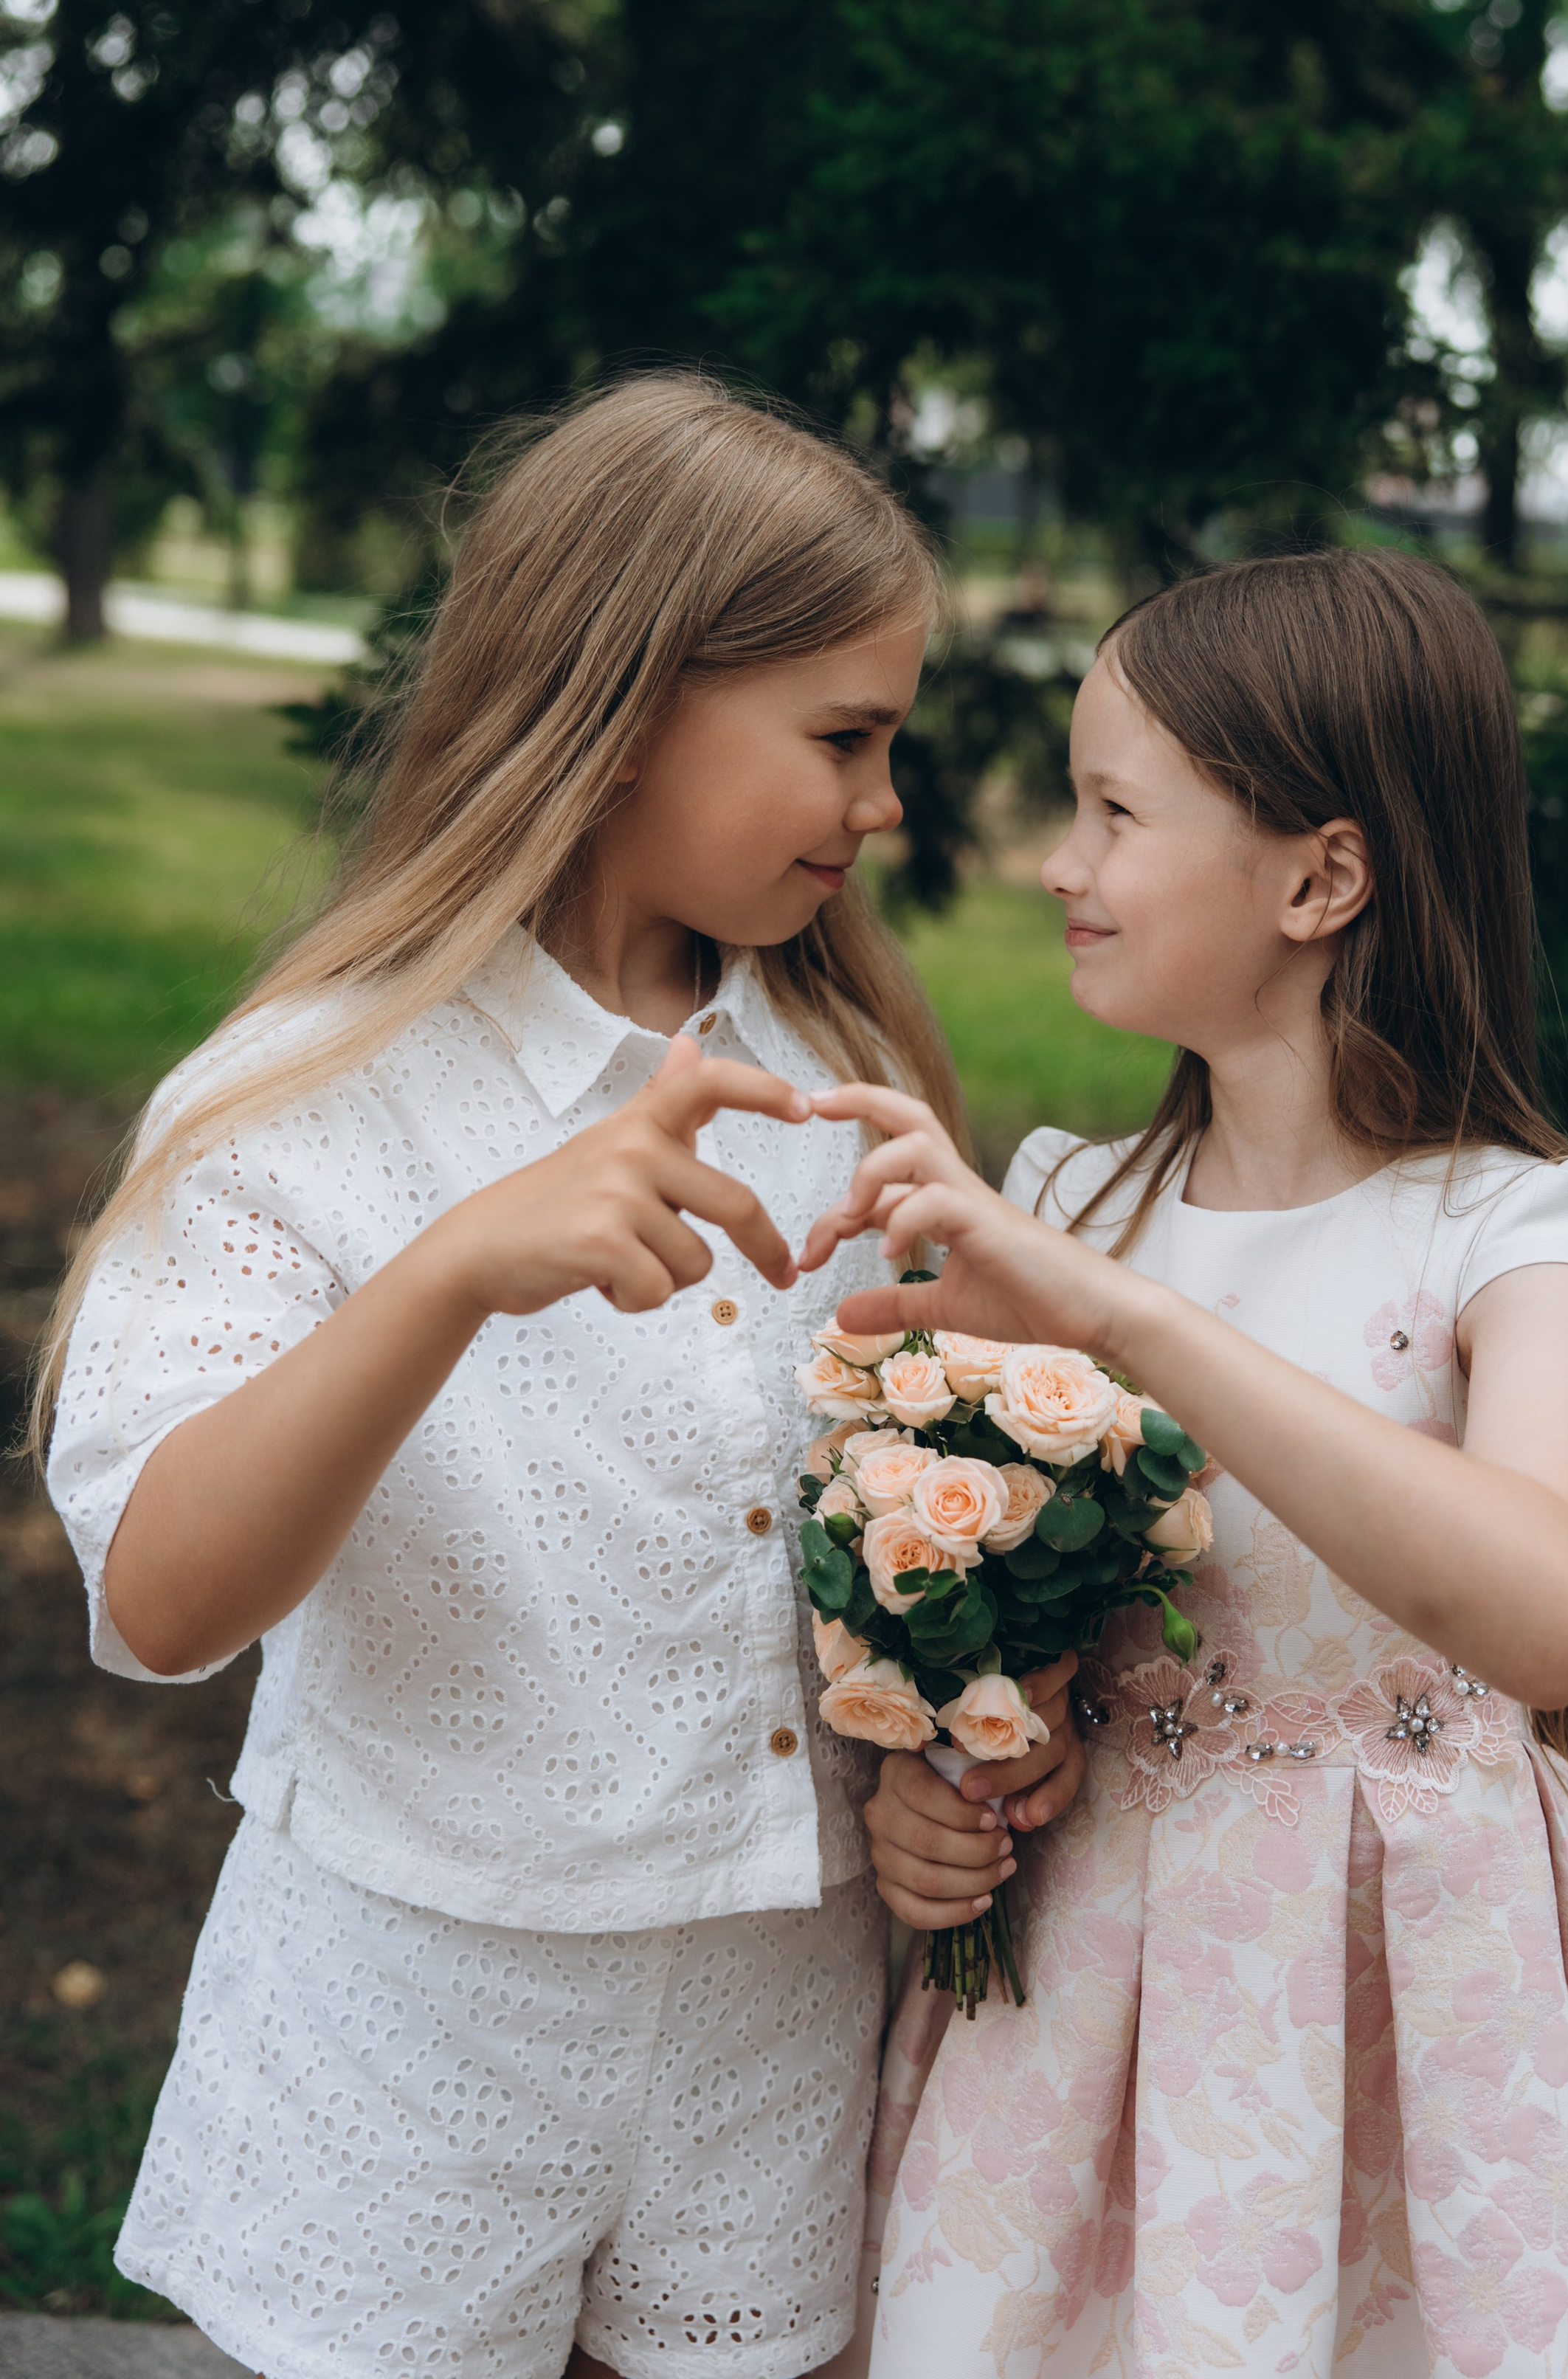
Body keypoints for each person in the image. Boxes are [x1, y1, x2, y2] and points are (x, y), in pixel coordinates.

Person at [36, 373, 1082, 2379]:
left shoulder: (856, 1103)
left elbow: (891, 1563)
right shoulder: (301, 1103)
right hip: (411, 2042)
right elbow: (160, 1605)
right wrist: (448, 1274)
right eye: (844, 739)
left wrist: (942, 1758)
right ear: (626, 706)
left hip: (777, 2042)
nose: (885, 809)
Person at [801, 549, 1568, 2375]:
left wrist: (1131, 1325)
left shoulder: (1536, 1231)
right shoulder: (1068, 1202)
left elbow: (1553, 1613)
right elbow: (1001, 1638)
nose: (1058, 865)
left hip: (1419, 2011)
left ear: (1320, 877)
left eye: (1110, 812)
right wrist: (935, 1796)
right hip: (1092, 2013)